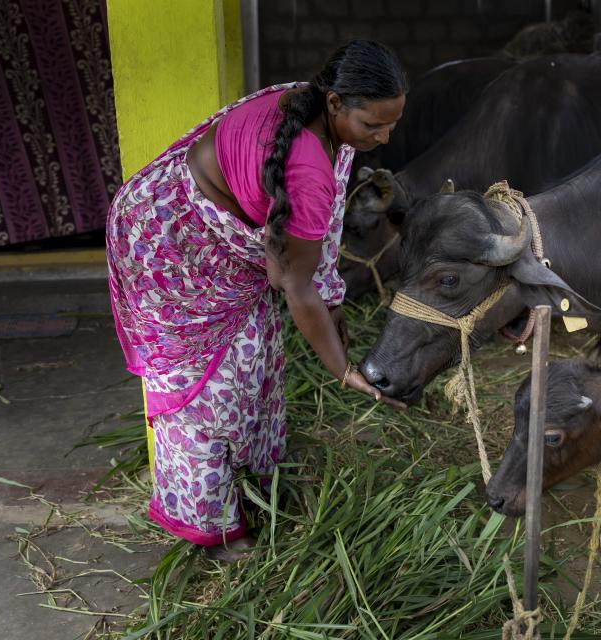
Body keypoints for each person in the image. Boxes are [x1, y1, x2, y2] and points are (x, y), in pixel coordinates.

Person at [106, 40, 407, 558]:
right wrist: (341, 370)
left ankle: (254, 479)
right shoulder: (307, 174)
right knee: (208, 395)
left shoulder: (305, 104)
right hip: (168, 246)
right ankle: (214, 526)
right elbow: (297, 286)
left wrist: (332, 308)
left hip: (209, 238)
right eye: (372, 125)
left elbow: (296, 267)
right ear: (335, 103)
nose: (383, 138)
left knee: (255, 356)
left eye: (392, 124)